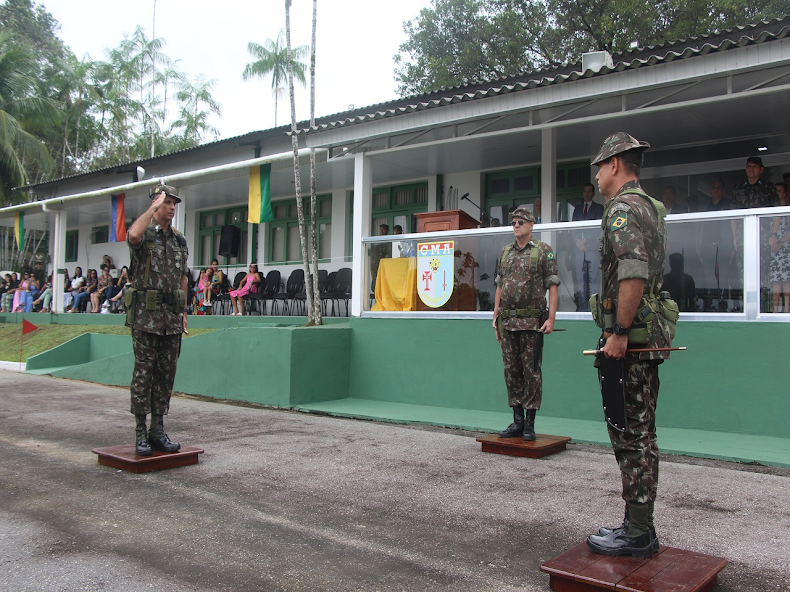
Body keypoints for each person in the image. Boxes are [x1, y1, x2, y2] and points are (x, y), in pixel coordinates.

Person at [586, 132, 671, 558]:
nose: (597, 176)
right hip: (646, 336)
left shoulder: (621, 209)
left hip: (631, 339)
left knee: (630, 432)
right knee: (640, 430)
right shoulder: (650, 206)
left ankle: (638, 533)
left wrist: (617, 332)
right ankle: (638, 524)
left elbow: (633, 272)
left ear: (615, 164)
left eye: (599, 167)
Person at [126, 184, 189, 456]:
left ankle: (157, 430)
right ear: (156, 204)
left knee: (166, 375)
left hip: (171, 319)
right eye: (167, 202)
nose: (172, 207)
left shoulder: (179, 240)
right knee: (144, 374)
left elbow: (183, 278)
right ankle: (140, 431)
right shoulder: (145, 234)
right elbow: (132, 235)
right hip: (146, 317)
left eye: (175, 203)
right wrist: (152, 208)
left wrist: (183, 312)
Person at [492, 206, 559, 441]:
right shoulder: (505, 252)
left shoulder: (543, 252)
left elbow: (552, 285)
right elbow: (500, 285)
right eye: (514, 222)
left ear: (532, 225)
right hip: (508, 320)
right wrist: (496, 314)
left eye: (521, 222)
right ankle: (517, 420)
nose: (516, 225)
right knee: (512, 370)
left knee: (531, 371)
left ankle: (530, 422)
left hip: (532, 321)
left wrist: (551, 318)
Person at [731, 156, 780, 311]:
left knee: (763, 276)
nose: (751, 169)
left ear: (761, 169)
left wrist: (774, 234)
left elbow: (778, 212)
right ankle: (746, 310)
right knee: (743, 276)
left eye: (754, 166)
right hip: (743, 239)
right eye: (748, 166)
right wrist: (735, 237)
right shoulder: (739, 188)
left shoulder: (768, 187)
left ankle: (764, 310)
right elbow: (734, 215)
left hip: (763, 239)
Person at [571, 183, 605, 311]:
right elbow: (573, 227)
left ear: (593, 193)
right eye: (585, 191)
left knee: (593, 278)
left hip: (591, 248)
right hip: (579, 249)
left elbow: (598, 228)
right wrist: (577, 242)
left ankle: (594, 308)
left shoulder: (599, 208)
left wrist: (586, 241)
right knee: (580, 279)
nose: (587, 193)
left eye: (589, 191)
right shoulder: (577, 209)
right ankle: (581, 306)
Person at [769, 182, 790, 312]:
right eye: (775, 190)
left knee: (787, 280)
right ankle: (775, 310)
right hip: (774, 249)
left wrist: (780, 242)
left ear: (785, 193)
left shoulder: (788, 209)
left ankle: (787, 310)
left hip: (787, 248)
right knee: (776, 280)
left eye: (780, 190)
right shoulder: (771, 210)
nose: (778, 193)